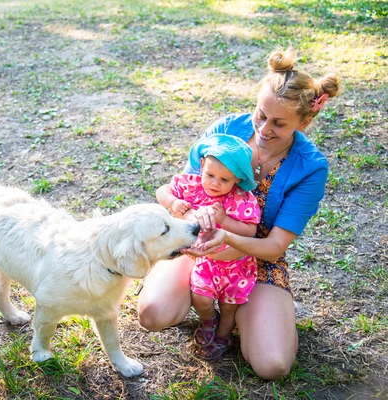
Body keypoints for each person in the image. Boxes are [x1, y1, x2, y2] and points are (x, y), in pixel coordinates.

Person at [138, 47, 340, 380]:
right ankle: (204, 305)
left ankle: (237, 316)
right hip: (198, 244)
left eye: (279, 123)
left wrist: (228, 236)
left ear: (304, 122)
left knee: (272, 365)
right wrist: (195, 229)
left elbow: (275, 246)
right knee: (152, 314)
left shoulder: (310, 167)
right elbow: (183, 190)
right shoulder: (227, 129)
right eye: (261, 115)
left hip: (257, 256)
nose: (263, 128)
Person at [156, 134, 261, 360]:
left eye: (225, 180)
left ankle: (224, 335)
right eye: (210, 175)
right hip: (204, 260)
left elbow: (250, 231)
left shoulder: (241, 199)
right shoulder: (190, 185)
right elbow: (162, 191)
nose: (215, 183)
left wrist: (224, 220)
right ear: (201, 164)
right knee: (201, 297)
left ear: (237, 180)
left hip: (234, 265)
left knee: (229, 306)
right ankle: (207, 321)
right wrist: (173, 202)